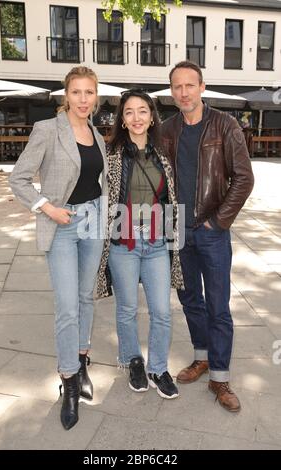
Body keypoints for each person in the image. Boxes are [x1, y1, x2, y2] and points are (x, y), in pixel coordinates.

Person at [9, 66, 108, 430]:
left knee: (85, 298)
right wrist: (47, 207)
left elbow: (98, 182)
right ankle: (68, 381)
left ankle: (82, 361)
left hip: (94, 222)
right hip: (62, 225)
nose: (83, 99)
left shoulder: (97, 133)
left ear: (96, 96)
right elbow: (18, 178)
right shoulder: (48, 130)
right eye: (77, 92)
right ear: (66, 95)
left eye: (89, 93)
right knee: (67, 306)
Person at [161, 60, 254, 412]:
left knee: (218, 307)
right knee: (189, 301)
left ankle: (220, 376)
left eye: (190, 85)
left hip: (212, 232)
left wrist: (218, 222)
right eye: (177, 87)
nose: (183, 92)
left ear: (202, 87)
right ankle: (201, 358)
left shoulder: (225, 126)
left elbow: (244, 178)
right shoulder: (166, 130)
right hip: (178, 232)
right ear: (172, 92)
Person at [97, 89, 183, 399]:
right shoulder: (111, 153)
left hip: (157, 242)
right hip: (124, 241)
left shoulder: (162, 153)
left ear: (151, 117)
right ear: (122, 118)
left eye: (142, 111)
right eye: (129, 112)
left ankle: (158, 368)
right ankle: (133, 360)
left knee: (162, 311)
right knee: (128, 309)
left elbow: (170, 196)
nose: (136, 117)